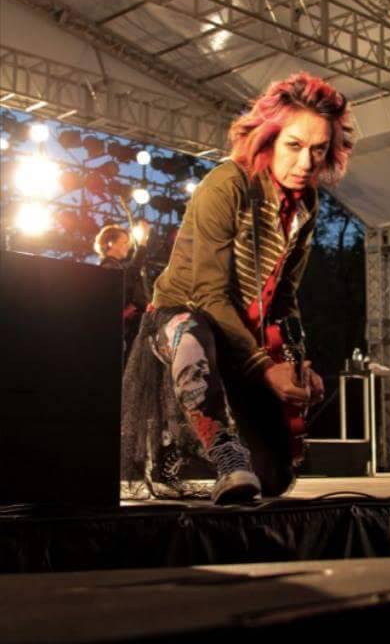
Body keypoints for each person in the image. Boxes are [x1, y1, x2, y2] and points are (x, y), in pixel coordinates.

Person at [120, 72, 354, 504]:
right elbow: (208, 296)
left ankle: (234, 458)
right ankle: (224, 454)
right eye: (294, 145)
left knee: (273, 477)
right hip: (182, 315)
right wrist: (264, 366)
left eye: (318, 149)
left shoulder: (308, 202)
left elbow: (284, 297)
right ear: (268, 140)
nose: (306, 162)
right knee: (192, 332)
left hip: (240, 335)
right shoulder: (227, 183)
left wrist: (296, 363)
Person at [94, 220, 151, 361]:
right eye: (124, 242)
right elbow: (131, 274)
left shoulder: (118, 267)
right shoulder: (108, 267)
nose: (128, 246)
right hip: (125, 330)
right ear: (110, 243)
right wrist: (142, 243)